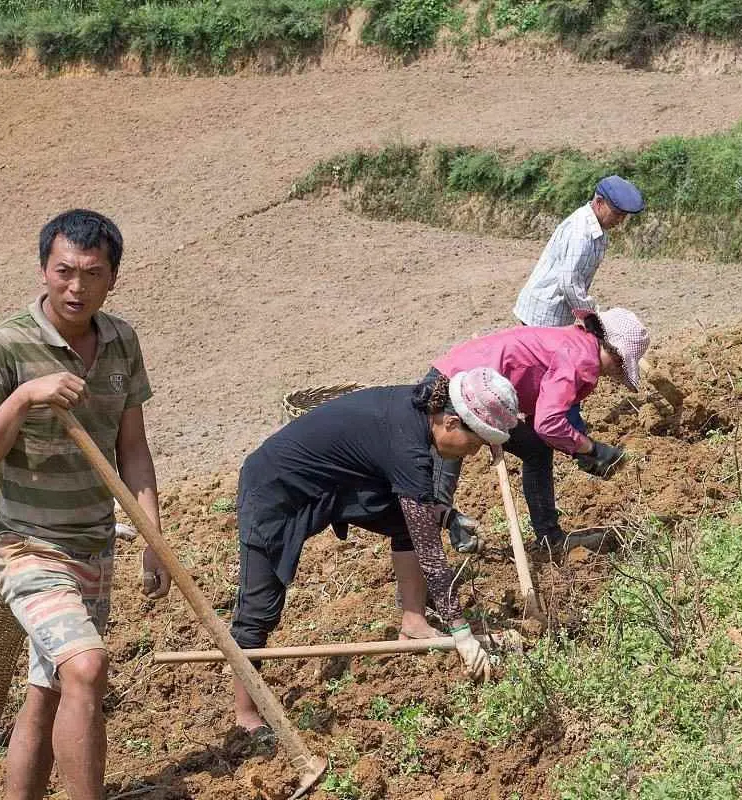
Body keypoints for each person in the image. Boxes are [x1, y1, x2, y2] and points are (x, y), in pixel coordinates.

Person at [0, 209, 169, 800]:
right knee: (87, 667)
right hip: (24, 542)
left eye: (91, 274)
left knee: (50, 691)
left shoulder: (122, 341)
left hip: (93, 544)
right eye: (64, 271)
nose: (76, 287)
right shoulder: (3, 345)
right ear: (44, 270)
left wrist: (153, 539)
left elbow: (134, 450)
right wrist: (23, 398)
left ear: (112, 279)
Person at [230, 367, 521, 733]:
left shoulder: (419, 412)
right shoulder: (409, 446)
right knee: (259, 609)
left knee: (408, 521)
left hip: (338, 482)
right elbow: (431, 555)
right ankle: (246, 716)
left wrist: (445, 515)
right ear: (450, 423)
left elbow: (415, 509)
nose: (474, 453)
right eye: (475, 444)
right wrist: (461, 631)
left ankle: (413, 624)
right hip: (275, 488)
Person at [426, 308, 650, 554]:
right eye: (619, 363)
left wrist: (578, 449)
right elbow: (548, 423)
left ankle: (550, 538)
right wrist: (590, 448)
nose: (616, 371)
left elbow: (541, 415)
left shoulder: (577, 343)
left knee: (536, 449)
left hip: (477, 383)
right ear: (614, 351)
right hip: (457, 387)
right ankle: (427, 568)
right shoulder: (579, 358)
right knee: (441, 477)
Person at [513, 175, 645, 327]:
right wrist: (591, 316)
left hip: (556, 311)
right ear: (599, 202)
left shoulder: (598, 229)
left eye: (624, 216)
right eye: (616, 214)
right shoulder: (581, 233)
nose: (620, 221)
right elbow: (569, 282)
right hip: (543, 313)